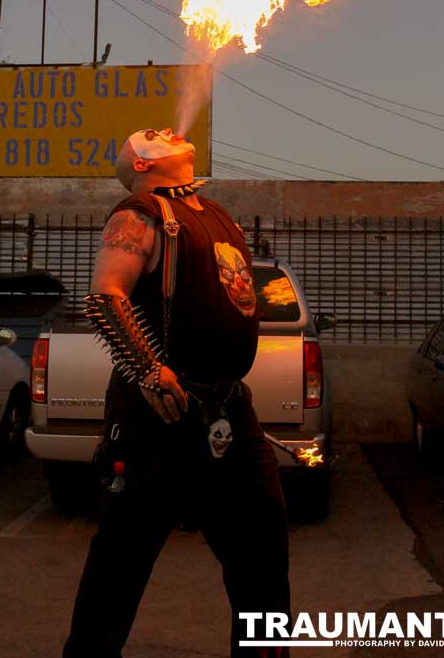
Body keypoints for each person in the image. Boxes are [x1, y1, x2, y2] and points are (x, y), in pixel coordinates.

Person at [62, 127, 291, 658]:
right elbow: (105, 296)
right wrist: (147, 369)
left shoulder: (217, 214)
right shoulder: (139, 213)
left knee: (263, 549)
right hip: (156, 416)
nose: (170, 130)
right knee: (118, 568)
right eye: (153, 135)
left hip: (229, 409)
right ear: (141, 163)